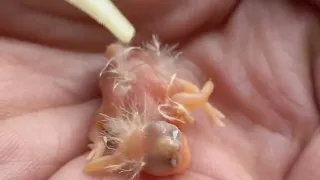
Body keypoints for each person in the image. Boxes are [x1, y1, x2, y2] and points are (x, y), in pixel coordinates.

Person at [0, 0, 319, 180]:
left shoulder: (153, 112)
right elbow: (95, 154)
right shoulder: (128, 122)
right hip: (121, 74)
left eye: (173, 146)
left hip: (130, 72)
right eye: (174, 153)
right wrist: (201, 100)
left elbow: (176, 91)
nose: (181, 156)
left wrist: (203, 101)